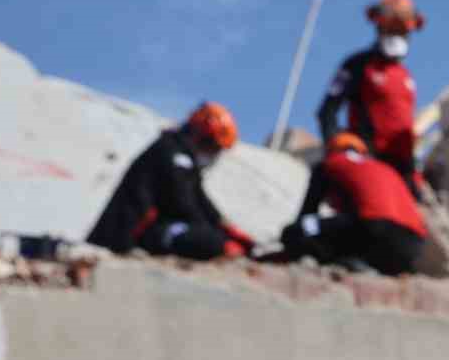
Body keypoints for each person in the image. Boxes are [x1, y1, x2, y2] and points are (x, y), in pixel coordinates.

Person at [88, 102, 256, 260]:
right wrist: (220, 236)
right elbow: (181, 202)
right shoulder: (171, 153)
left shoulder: (184, 159)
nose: (212, 155)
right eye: (212, 147)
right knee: (209, 241)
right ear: (201, 136)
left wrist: (224, 226)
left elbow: (200, 200)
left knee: (213, 237)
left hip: (151, 231)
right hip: (127, 237)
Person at [318, 0, 426, 191]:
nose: (395, 33)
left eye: (401, 28)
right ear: (379, 25)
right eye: (390, 25)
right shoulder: (357, 65)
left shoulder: (406, 76)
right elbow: (327, 110)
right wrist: (338, 144)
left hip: (404, 171)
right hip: (368, 160)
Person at [280, 133, 426, 275]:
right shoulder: (384, 168)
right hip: (413, 247)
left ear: (332, 150)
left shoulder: (332, 163)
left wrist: (294, 233)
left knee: (295, 231)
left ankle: (349, 262)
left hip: (373, 228)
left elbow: (308, 212)